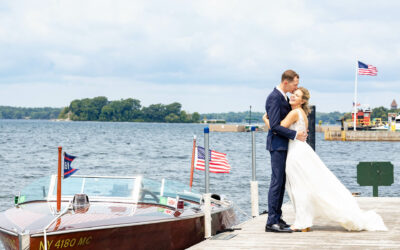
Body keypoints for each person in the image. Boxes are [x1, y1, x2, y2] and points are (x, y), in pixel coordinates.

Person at [263, 87, 388, 232]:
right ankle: (304, 222)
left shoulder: (294, 112)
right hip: (302, 150)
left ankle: (302, 223)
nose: (292, 96)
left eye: (297, 96)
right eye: (293, 94)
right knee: (306, 186)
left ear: (303, 100)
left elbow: (276, 128)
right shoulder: (302, 113)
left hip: (296, 153)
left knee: (298, 188)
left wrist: (265, 119)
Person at [264, 70, 308, 233]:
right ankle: (271, 222)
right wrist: (296, 134)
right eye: (295, 84)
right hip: (277, 145)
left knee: (281, 183)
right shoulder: (274, 97)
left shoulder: (282, 97)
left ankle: (277, 217)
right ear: (286, 82)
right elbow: (275, 126)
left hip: (284, 145)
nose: (296, 87)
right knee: (277, 182)